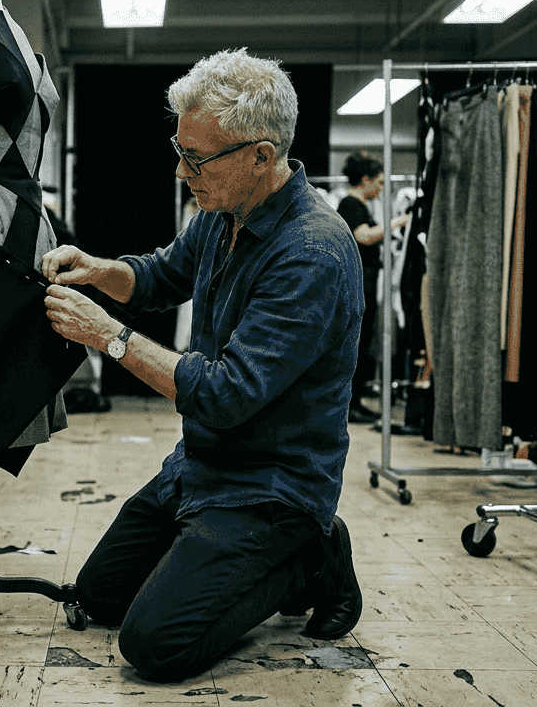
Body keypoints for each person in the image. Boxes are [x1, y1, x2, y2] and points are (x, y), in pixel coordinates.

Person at [40, 48, 364, 683]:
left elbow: (226, 394)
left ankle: (306, 553)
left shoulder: (312, 254)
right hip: (203, 464)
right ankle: (231, 550)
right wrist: (104, 270)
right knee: (99, 597)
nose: (182, 170)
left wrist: (110, 337)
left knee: (155, 646)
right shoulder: (222, 211)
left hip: (272, 481)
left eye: (197, 158)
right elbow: (165, 274)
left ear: (261, 157)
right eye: (179, 149)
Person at [337, 152, 409, 423]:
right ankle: (350, 404)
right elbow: (363, 236)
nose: (380, 189)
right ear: (364, 180)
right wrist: (393, 223)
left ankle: (355, 402)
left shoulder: (359, 206)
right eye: (378, 183)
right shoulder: (350, 205)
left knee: (363, 342)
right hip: (357, 284)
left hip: (363, 283)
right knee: (357, 342)